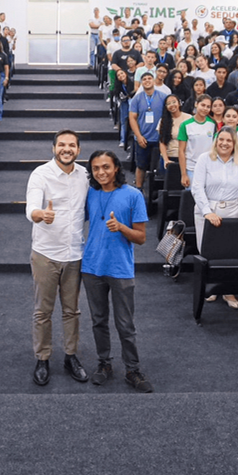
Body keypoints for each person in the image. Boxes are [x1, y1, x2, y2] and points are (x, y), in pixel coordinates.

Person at [82, 150, 152, 393]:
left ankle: (132, 369)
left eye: (106, 167)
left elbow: (141, 238)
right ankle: (104, 363)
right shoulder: (89, 193)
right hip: (91, 267)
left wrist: (121, 227)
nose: (101, 172)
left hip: (120, 268)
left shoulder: (133, 195)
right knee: (98, 320)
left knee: (125, 323)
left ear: (116, 168)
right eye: (96, 169)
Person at [25, 130, 91, 386]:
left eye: (71, 145)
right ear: (53, 148)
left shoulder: (84, 175)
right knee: (43, 311)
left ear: (78, 149)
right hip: (46, 253)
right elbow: (30, 207)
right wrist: (40, 214)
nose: (67, 149)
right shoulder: (41, 174)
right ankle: (42, 358)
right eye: (62, 145)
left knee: (72, 310)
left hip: (75, 253)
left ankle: (70, 356)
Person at [191, 126, 238, 309]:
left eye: (229, 141)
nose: (224, 143)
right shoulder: (204, 159)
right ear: (216, 141)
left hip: (232, 211)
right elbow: (197, 188)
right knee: (208, 252)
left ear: (234, 143)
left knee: (230, 251)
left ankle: (228, 291)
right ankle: (212, 287)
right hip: (207, 209)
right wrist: (207, 212)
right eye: (221, 139)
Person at [128, 71, 165, 189]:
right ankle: (139, 190)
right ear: (141, 82)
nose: (147, 81)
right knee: (141, 166)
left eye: (149, 78)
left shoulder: (163, 97)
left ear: (153, 81)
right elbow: (132, 118)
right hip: (143, 138)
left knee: (159, 167)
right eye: (144, 79)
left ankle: (156, 192)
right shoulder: (137, 99)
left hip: (159, 139)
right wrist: (138, 136)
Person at [177, 95, 215, 188]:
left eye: (208, 106)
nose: (205, 109)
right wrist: (184, 174)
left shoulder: (213, 124)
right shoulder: (185, 125)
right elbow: (181, 151)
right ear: (196, 104)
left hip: (209, 169)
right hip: (191, 168)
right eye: (203, 105)